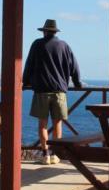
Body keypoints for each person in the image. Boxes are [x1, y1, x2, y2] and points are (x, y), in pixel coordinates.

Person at [23, 19, 82, 165]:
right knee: (57, 124)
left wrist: (26, 82)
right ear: (55, 32)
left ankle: (45, 155)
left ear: (44, 31)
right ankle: (55, 154)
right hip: (59, 91)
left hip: (41, 91)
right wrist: (77, 83)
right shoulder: (64, 46)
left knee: (42, 124)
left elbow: (29, 64)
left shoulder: (37, 44)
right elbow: (74, 66)